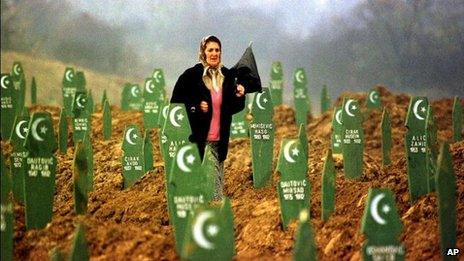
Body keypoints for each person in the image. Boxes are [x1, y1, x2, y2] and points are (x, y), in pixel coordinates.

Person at [170, 35, 260, 200]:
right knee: (205, 189)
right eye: (210, 50)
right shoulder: (190, 76)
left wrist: (240, 92)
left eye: (217, 50)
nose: (214, 53)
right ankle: (208, 214)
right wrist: (196, 106)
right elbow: (176, 104)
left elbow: (234, 107)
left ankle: (214, 213)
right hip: (197, 139)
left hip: (219, 138)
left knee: (216, 184)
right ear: (203, 52)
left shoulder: (226, 75)